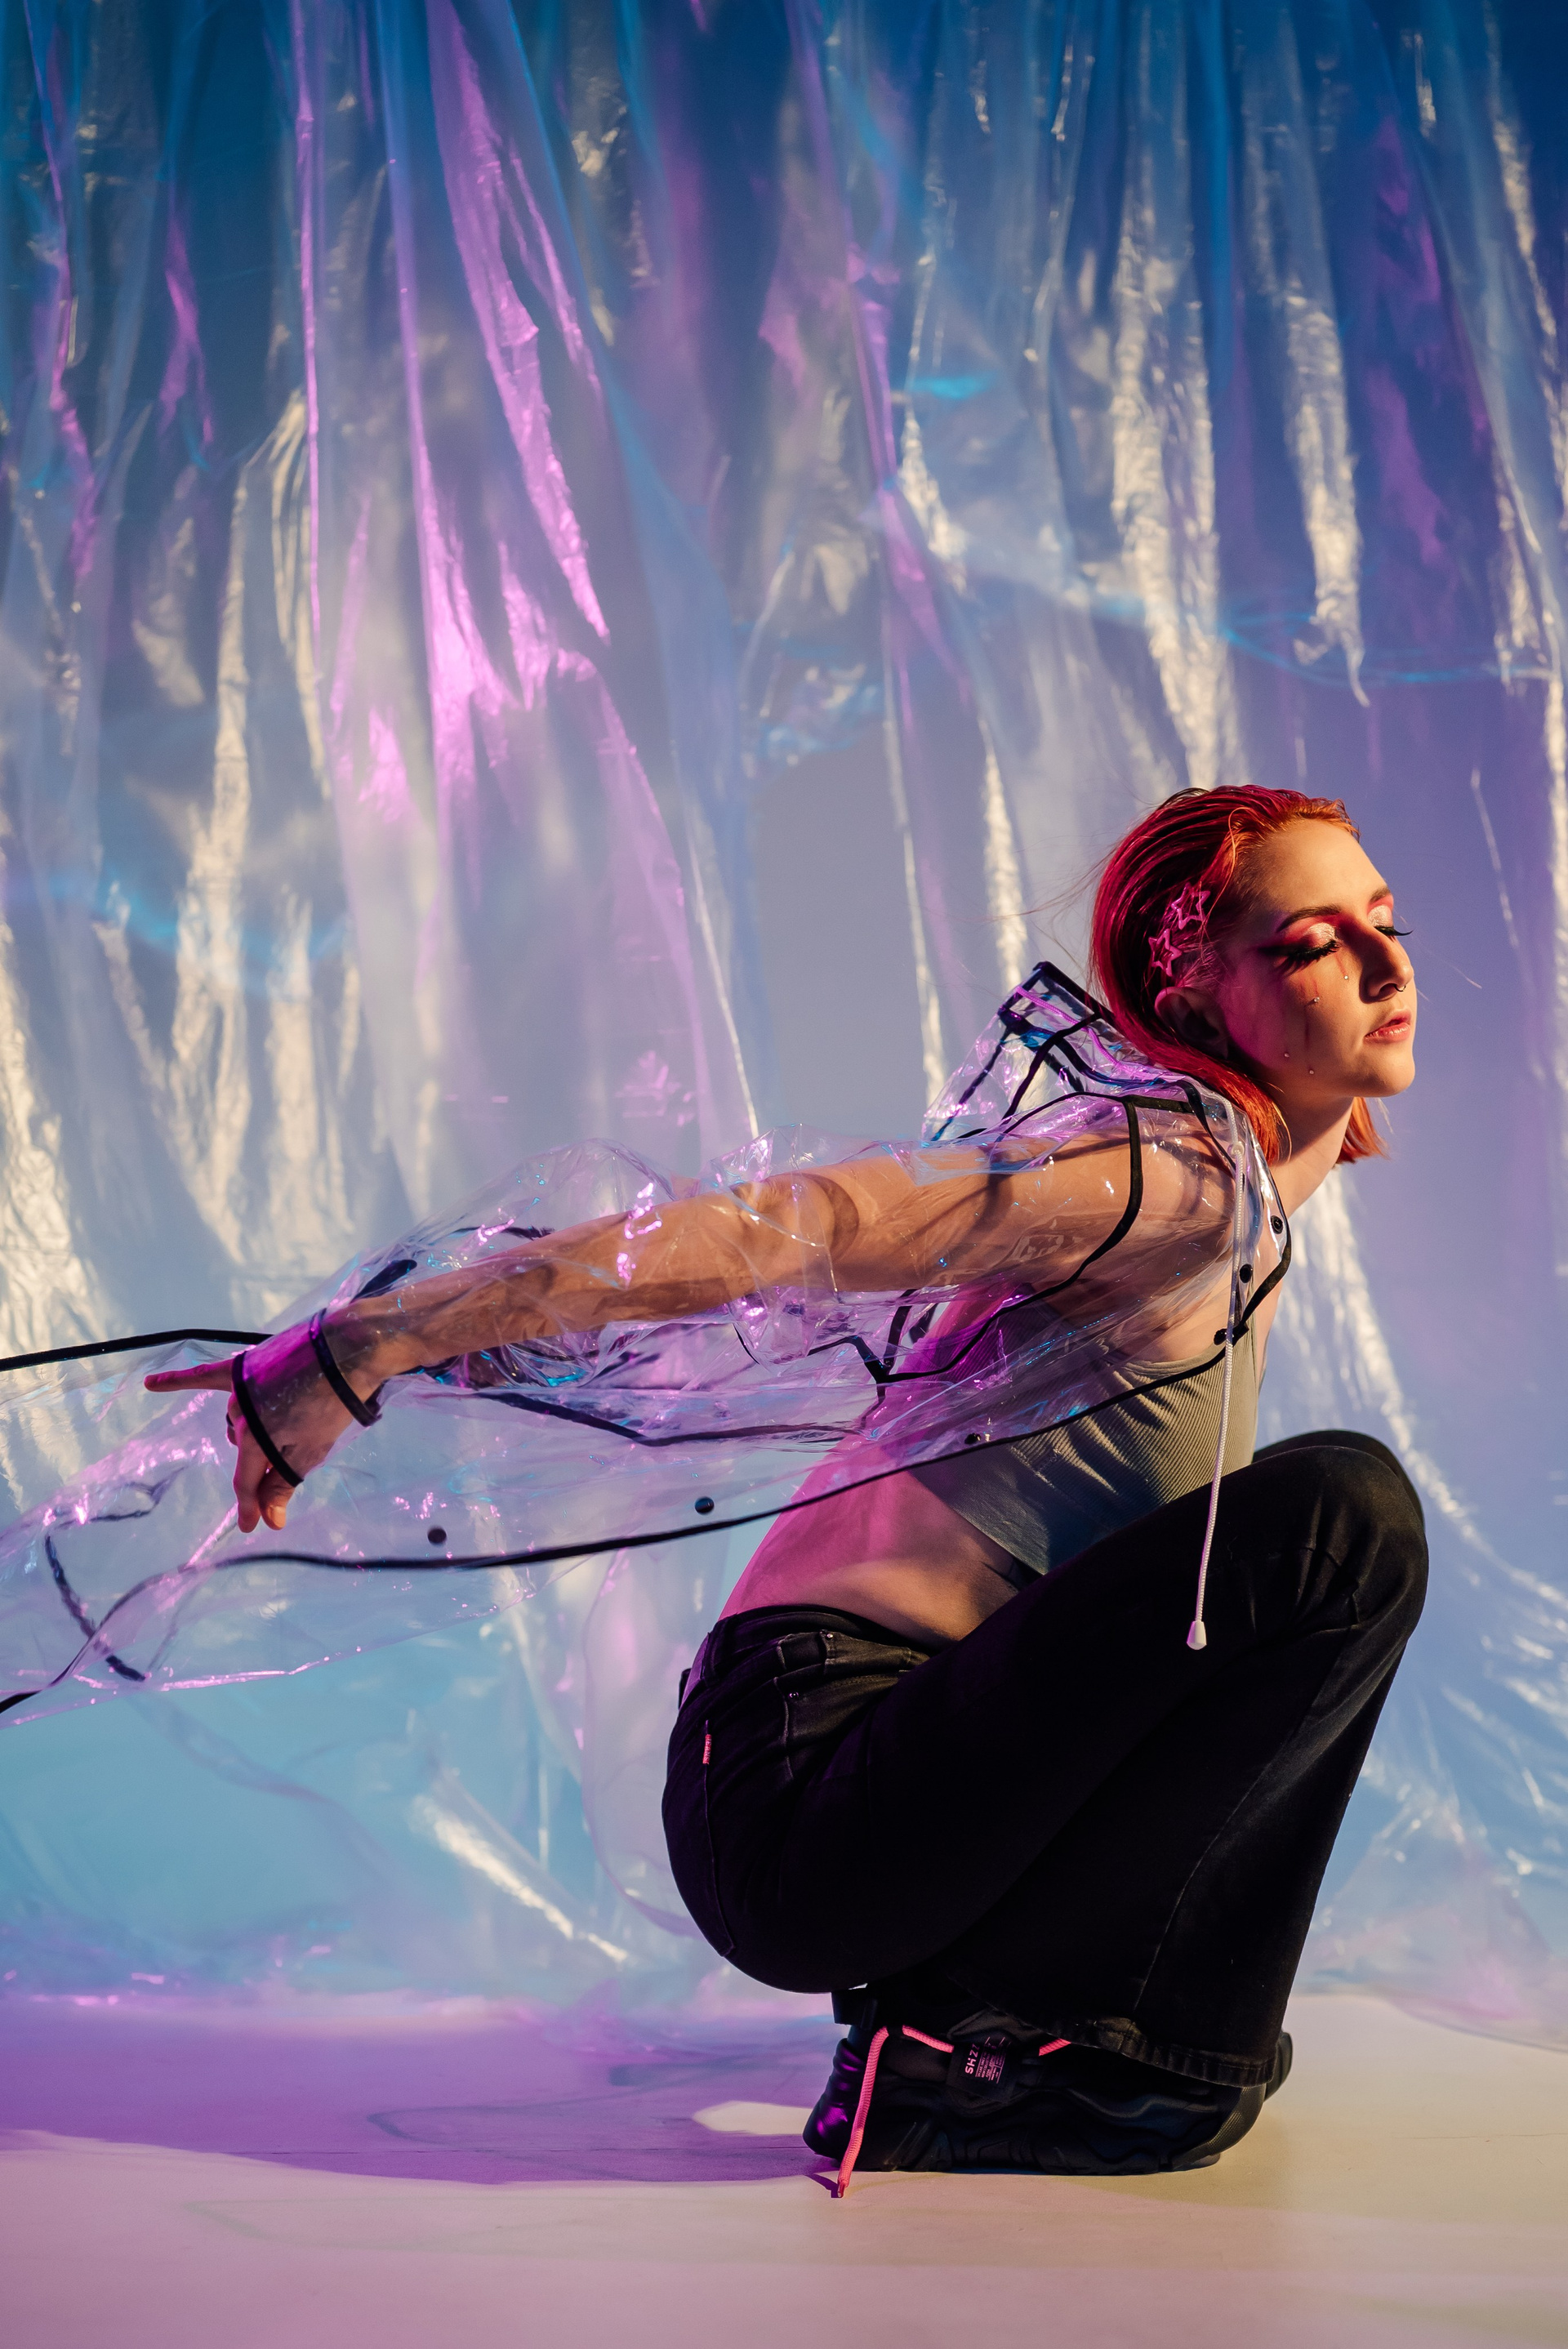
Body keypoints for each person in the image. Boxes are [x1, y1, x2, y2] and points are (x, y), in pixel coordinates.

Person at [146, 784, 1426, 2190]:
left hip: (888, 1793)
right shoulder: (1167, 1176)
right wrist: (376, 1337)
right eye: (1316, 942)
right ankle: (981, 2058)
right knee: (1342, 1522)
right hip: (804, 1792)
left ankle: (995, 2044)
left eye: (1387, 921)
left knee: (1189, 2056)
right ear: (1190, 993)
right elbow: (799, 1228)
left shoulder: (1238, 1215)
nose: (1386, 964)